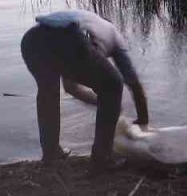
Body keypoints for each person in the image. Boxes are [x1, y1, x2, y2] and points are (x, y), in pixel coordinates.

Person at [19, 9, 149, 169]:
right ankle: (102, 158)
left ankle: (51, 154)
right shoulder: (114, 36)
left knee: (48, 92)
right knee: (113, 84)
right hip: (69, 38)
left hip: (32, 40)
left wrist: (101, 103)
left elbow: (71, 87)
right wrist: (143, 121)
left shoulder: (90, 21)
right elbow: (134, 83)